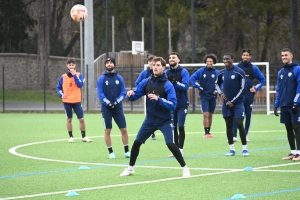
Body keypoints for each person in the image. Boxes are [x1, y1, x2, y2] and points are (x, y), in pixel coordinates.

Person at [120, 56, 190, 177]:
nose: (155, 67)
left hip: (165, 121)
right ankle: (130, 168)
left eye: (158, 65)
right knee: (137, 142)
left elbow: (173, 105)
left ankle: (185, 168)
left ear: (163, 67)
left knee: (170, 144)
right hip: (150, 120)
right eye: (153, 65)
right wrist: (130, 94)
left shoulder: (168, 85)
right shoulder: (146, 82)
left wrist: (159, 100)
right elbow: (135, 95)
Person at [215, 53, 249, 156]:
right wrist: (221, 93)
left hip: (238, 103)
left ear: (232, 59)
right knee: (228, 125)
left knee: (239, 124)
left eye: (227, 59)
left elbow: (243, 88)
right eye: (224, 59)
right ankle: (232, 149)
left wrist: (233, 101)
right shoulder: (222, 73)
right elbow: (216, 84)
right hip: (226, 104)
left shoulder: (240, 72)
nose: (225, 61)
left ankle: (244, 149)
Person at [97, 57, 130, 159]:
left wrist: (116, 102)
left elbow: (123, 92)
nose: (109, 64)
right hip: (106, 109)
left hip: (118, 108)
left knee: (124, 129)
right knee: (107, 130)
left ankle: (127, 151)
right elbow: (100, 94)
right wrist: (108, 103)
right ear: (105, 65)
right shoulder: (101, 79)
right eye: (107, 63)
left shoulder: (119, 78)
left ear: (114, 65)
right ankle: (111, 152)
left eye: (111, 62)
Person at [232, 49, 266, 142]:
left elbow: (262, 79)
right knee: (236, 115)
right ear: (241, 56)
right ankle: (234, 135)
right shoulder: (236, 67)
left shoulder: (254, 68)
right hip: (237, 96)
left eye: (247, 55)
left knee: (248, 115)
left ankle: (245, 135)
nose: (245, 57)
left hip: (248, 96)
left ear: (250, 57)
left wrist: (255, 88)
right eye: (244, 55)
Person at [56, 58, 92, 143]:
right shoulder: (63, 77)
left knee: (81, 119)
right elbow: (58, 88)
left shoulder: (80, 75)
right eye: (69, 65)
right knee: (69, 119)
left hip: (77, 101)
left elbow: (80, 84)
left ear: (75, 65)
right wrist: (61, 94)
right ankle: (71, 136)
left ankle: (84, 136)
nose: (71, 66)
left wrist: (74, 75)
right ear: (67, 66)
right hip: (67, 101)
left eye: (72, 65)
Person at [274, 48, 300, 161]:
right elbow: (278, 89)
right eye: (282, 55)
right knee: (288, 128)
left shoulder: (297, 69)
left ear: (291, 56)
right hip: (284, 105)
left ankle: (299, 153)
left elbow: (299, 87)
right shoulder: (281, 72)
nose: (284, 57)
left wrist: (296, 103)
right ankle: (293, 152)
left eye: (286, 55)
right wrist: (276, 104)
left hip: (295, 105)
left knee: (297, 128)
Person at [165, 52, 189, 158]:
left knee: (181, 126)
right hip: (171, 105)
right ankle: (175, 151)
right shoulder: (166, 72)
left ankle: (181, 150)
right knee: (173, 127)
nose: (171, 59)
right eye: (170, 57)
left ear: (178, 60)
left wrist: (175, 83)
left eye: (173, 58)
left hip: (182, 104)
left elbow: (185, 86)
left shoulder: (184, 72)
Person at [190, 53, 219, 138]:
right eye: (208, 61)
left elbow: (222, 83)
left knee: (210, 114)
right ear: (205, 62)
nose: (209, 62)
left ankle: (209, 132)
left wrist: (217, 90)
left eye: (211, 61)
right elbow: (192, 78)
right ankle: (206, 132)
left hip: (213, 97)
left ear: (213, 62)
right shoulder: (201, 71)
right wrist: (198, 86)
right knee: (205, 113)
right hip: (204, 96)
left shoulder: (217, 72)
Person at [135, 55, 156, 140]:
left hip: (159, 96)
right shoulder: (144, 73)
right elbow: (137, 83)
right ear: (148, 63)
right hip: (149, 97)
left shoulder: (159, 72)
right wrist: (143, 90)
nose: (151, 63)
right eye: (150, 61)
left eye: (153, 61)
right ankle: (152, 133)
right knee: (149, 113)